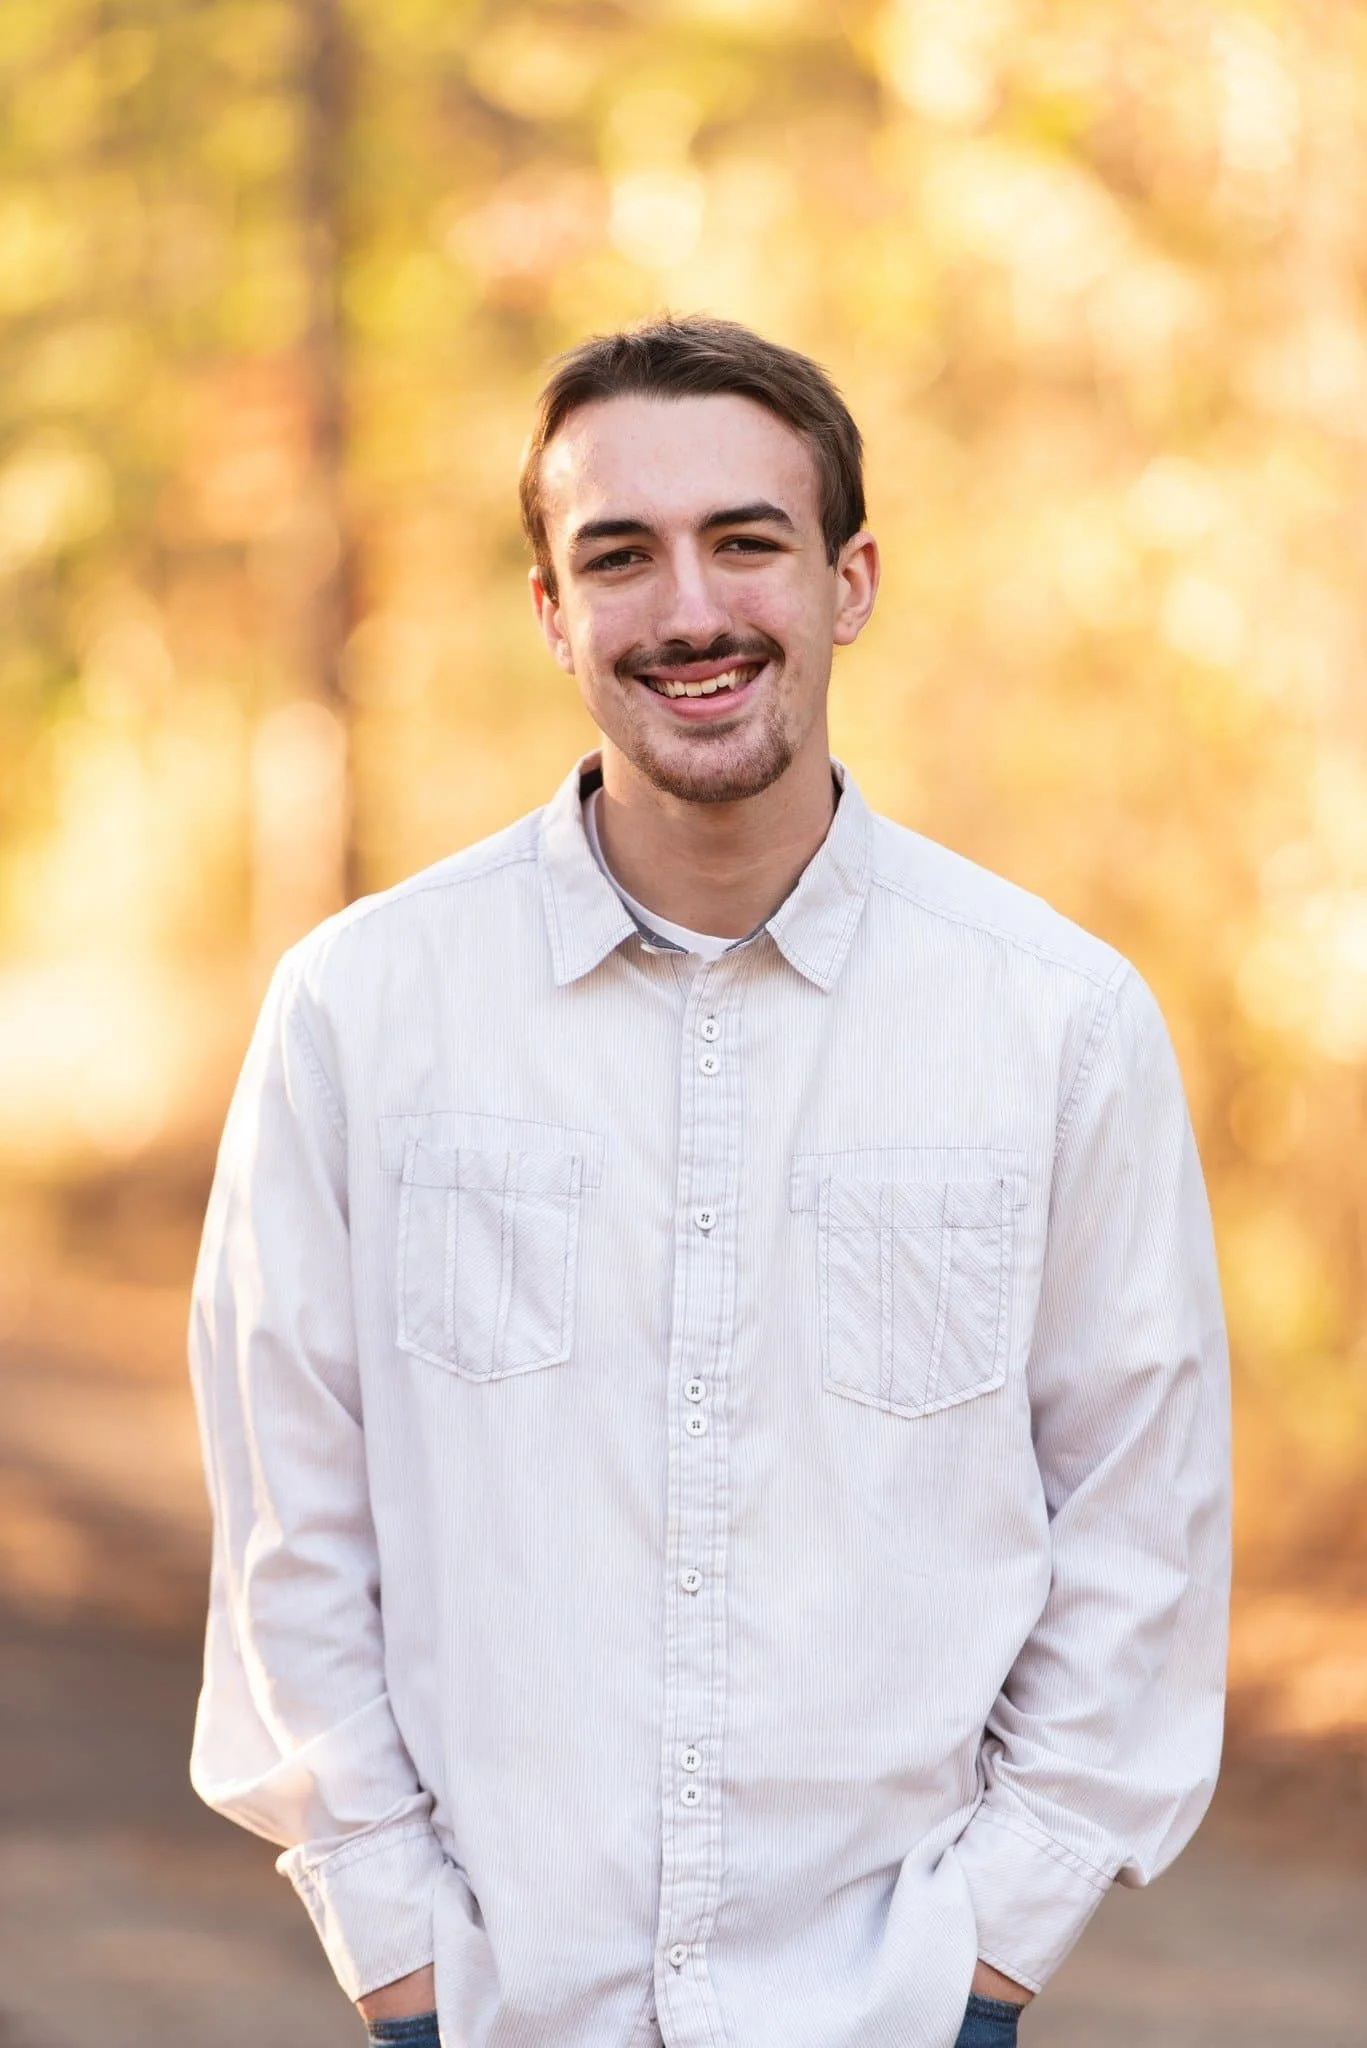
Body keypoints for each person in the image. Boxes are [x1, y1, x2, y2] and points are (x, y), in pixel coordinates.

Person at [188, 316, 1231, 2048]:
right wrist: (398, 1952)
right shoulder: (363, 1014)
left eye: (746, 540)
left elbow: (1139, 1517)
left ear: (849, 581)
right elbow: (294, 1519)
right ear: (550, 611)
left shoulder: (1054, 1024)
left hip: (898, 2008)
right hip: (490, 2008)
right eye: (619, 555)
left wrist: (986, 1954)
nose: (687, 610)